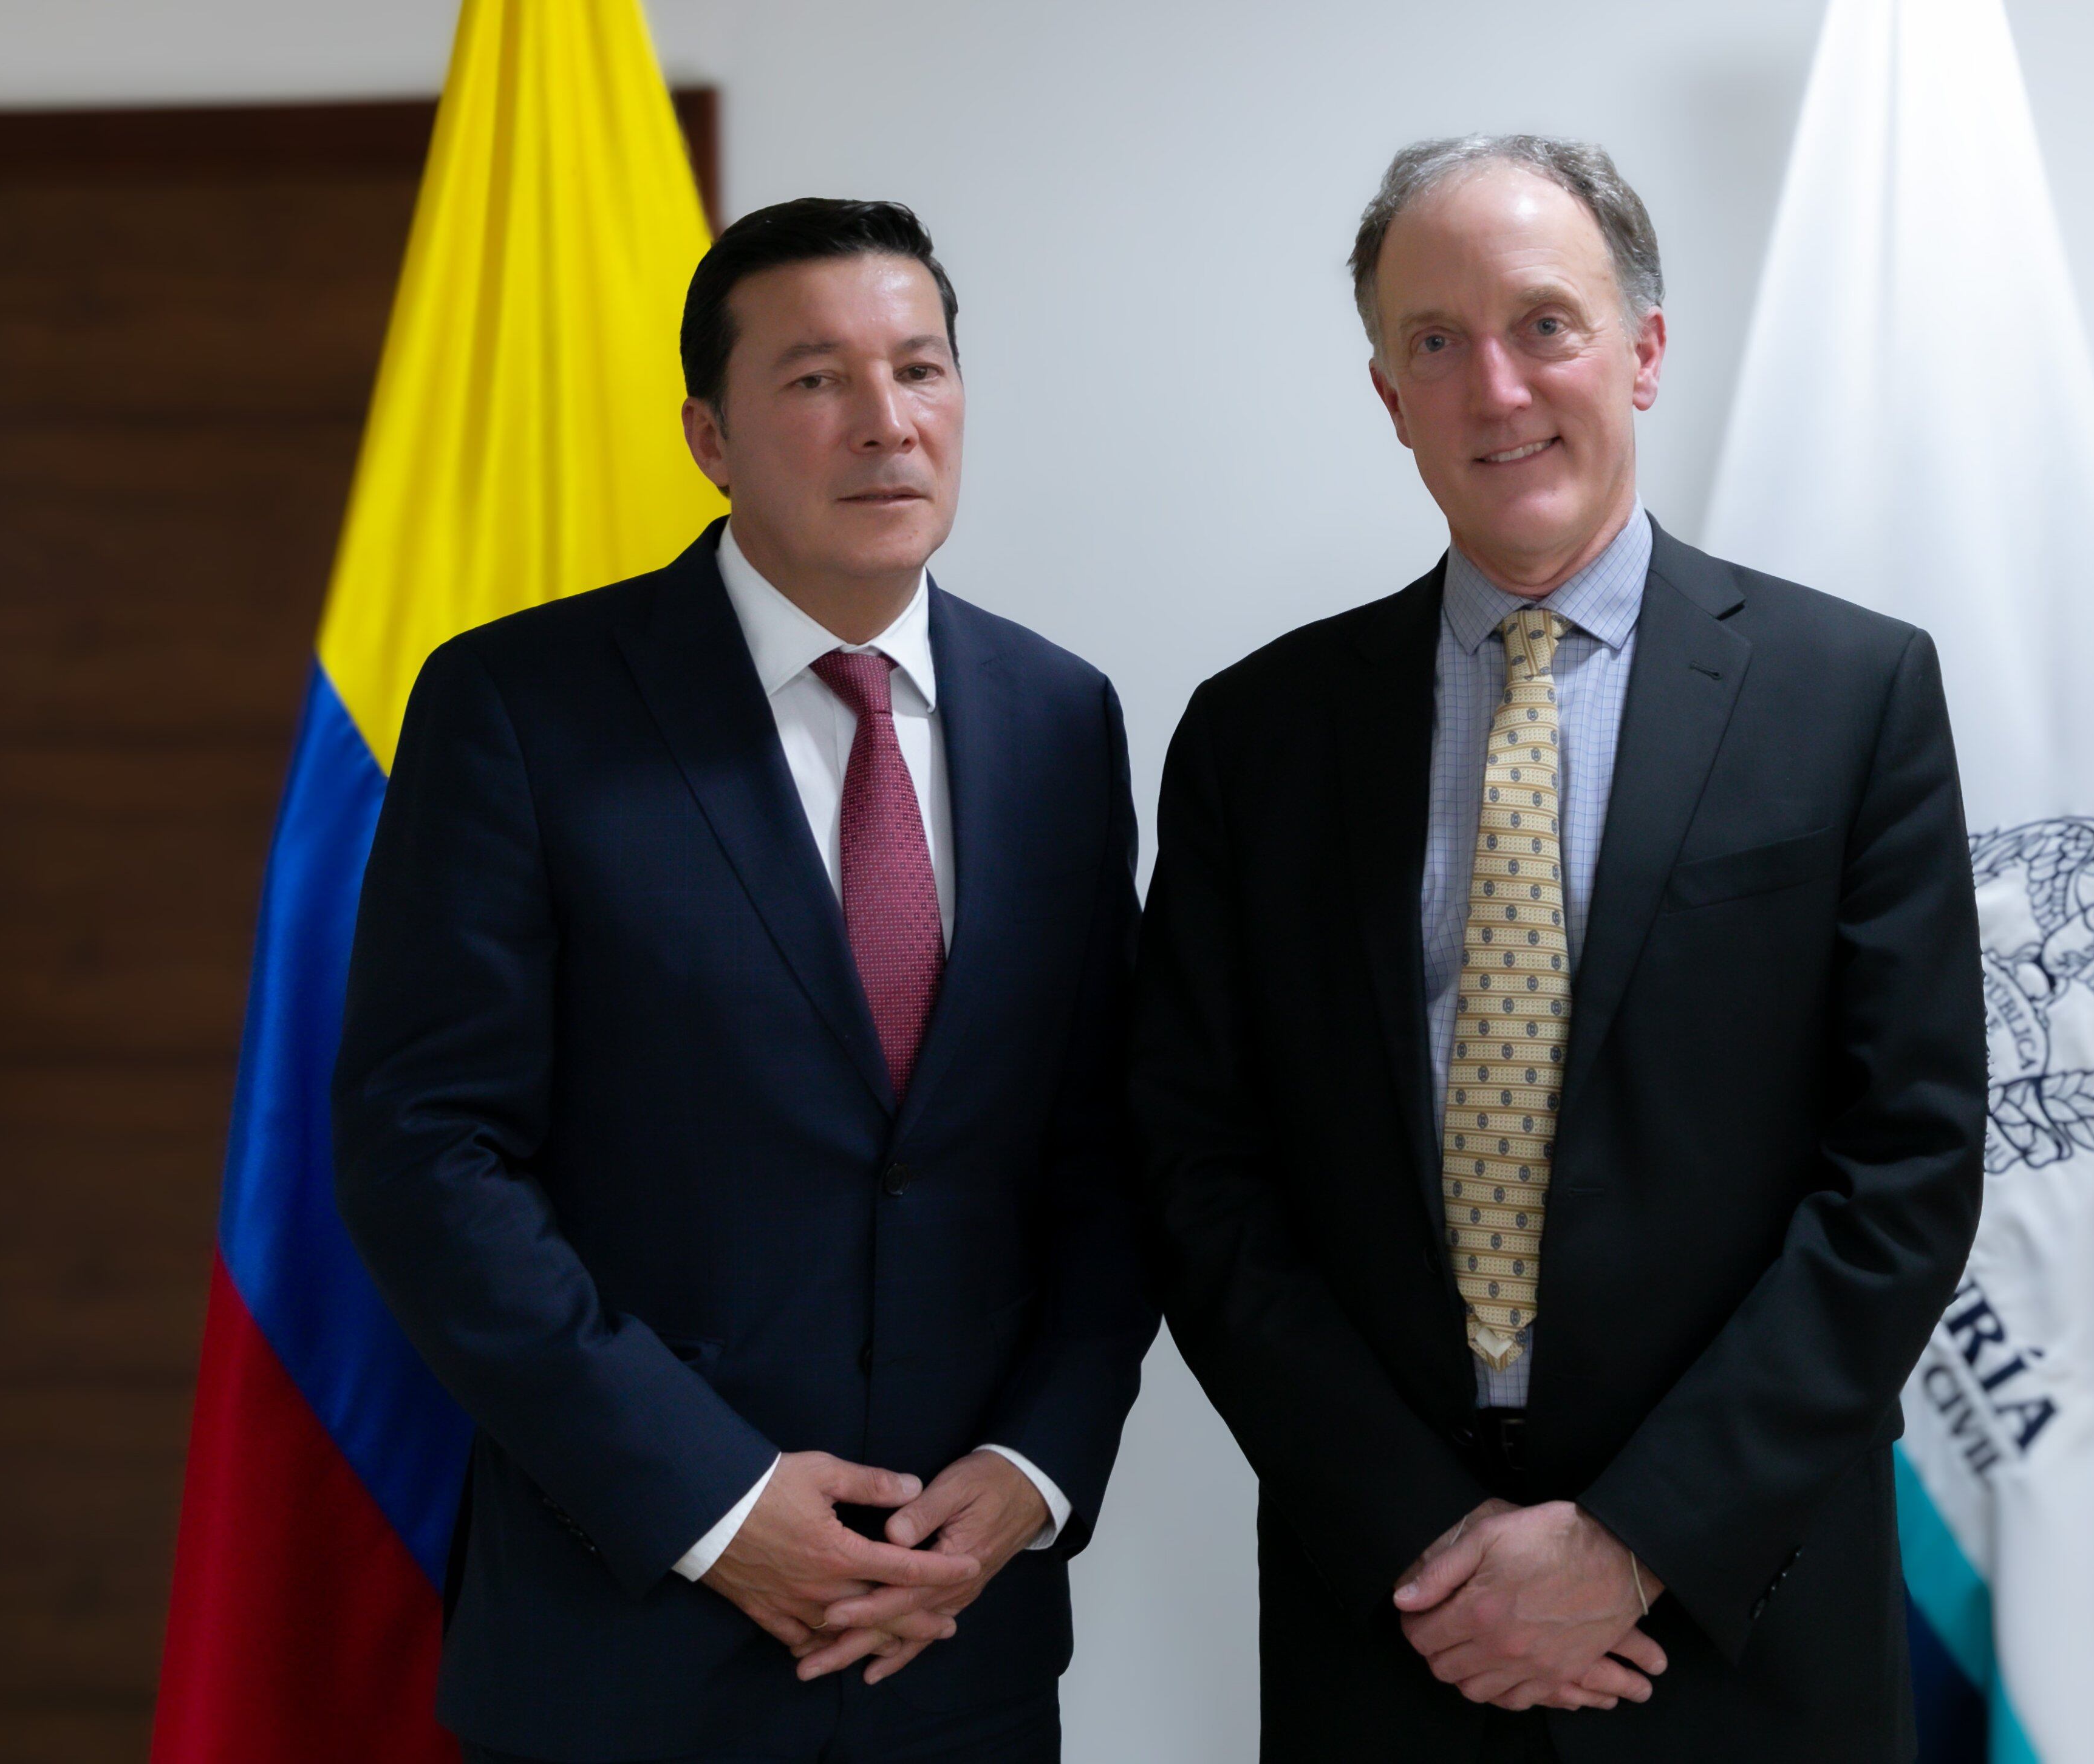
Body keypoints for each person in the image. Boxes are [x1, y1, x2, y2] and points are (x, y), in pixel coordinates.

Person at [1132, 135, 1985, 1760]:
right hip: (1393, 1619)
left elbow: (1907, 1167)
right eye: (1435, 341)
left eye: (1545, 324)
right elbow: (1198, 1172)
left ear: (1643, 349)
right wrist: (1426, 1534)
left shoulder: (1851, 696)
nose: (1496, 386)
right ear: (1387, 395)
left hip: (1739, 1613)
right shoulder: (1259, 736)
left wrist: (1640, 1536)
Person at [334, 198, 1154, 1764]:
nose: (886, 422)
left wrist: (1036, 1468)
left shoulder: (1063, 715)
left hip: (956, 1646)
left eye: (920, 368)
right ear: (709, 437)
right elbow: (425, 1150)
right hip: (628, 1638)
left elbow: (1109, 1146)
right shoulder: (520, 705)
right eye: (816, 379)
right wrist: (709, 1500)